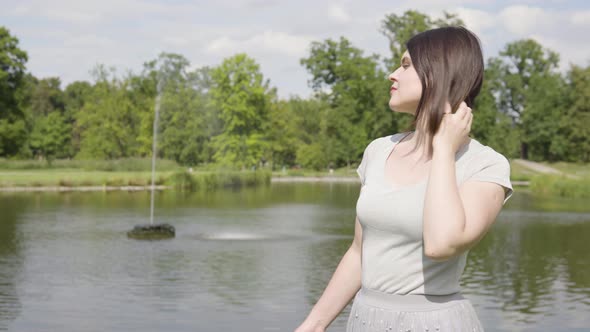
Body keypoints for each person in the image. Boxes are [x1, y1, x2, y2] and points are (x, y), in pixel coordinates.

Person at [294, 26, 513, 332]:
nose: (393, 75)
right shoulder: (378, 151)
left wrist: (444, 150)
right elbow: (360, 251)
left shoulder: (485, 165)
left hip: (434, 323)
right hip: (365, 319)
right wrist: (313, 325)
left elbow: (441, 244)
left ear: (438, 73)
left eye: (406, 65)